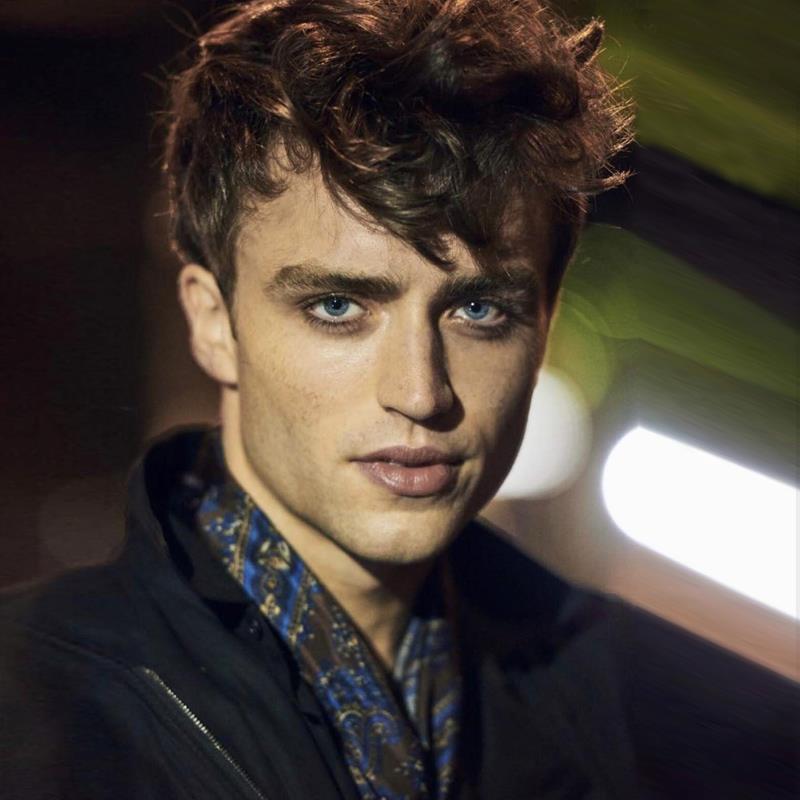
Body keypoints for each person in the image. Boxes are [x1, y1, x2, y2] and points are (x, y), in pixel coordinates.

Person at [0, 1, 796, 798]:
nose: (420, 392)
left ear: (546, 325)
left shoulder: (639, 714)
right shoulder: (32, 710)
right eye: (337, 306)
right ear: (213, 324)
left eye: (478, 310)